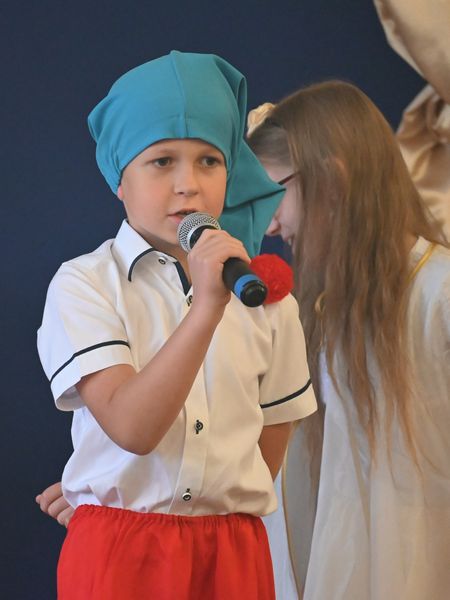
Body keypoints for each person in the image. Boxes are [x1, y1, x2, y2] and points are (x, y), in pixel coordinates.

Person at [35, 50, 317, 600]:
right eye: (162, 161)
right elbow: (133, 428)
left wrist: (207, 506)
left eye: (209, 161)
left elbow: (269, 441)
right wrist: (207, 307)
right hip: (121, 555)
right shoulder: (86, 284)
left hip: (232, 553)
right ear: (120, 178)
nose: (188, 184)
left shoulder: (263, 299)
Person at [246, 81, 450, 600]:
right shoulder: (318, 309)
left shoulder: (440, 293)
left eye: (274, 195)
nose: (270, 225)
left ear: (333, 180)